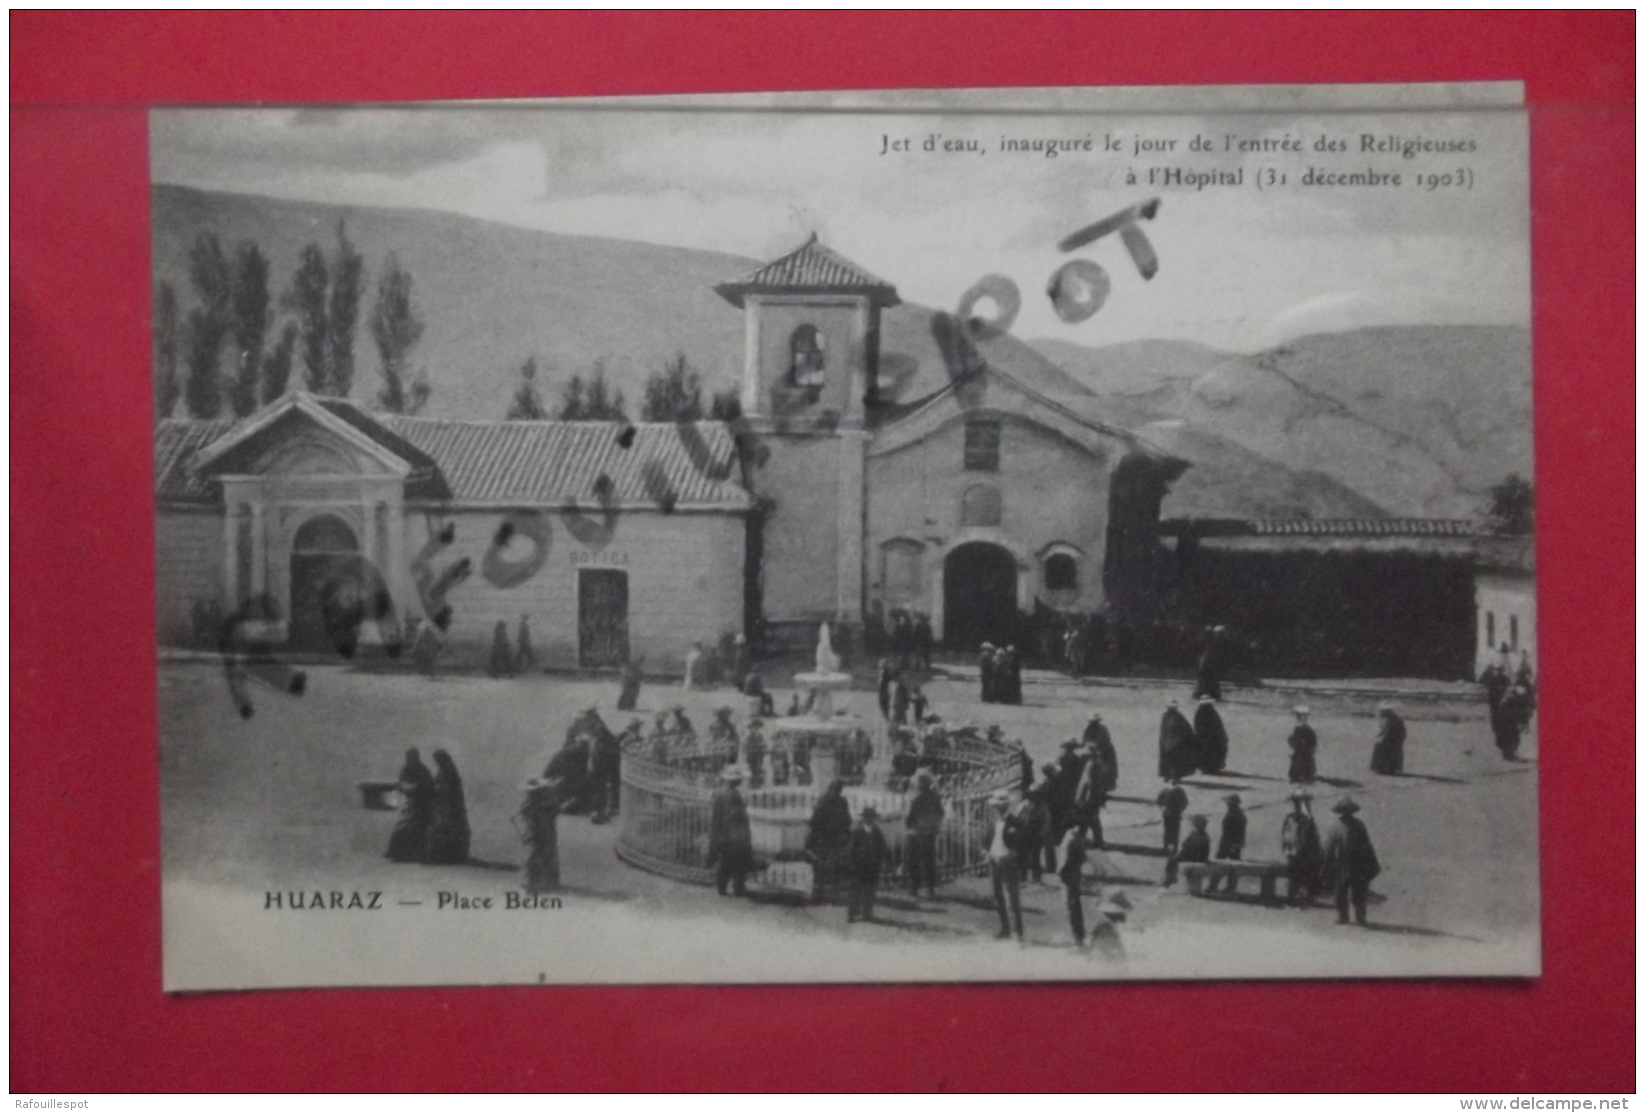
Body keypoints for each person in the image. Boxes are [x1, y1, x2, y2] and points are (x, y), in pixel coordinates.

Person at [1321, 796, 1381, 925]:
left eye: (1349, 811)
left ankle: (1360, 917)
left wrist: (1369, 861)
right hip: (1342, 863)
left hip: (1358, 862)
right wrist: (1327, 861)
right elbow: (1329, 845)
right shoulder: (1336, 826)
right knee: (1340, 890)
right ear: (1341, 812)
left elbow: (1366, 843)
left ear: (1352, 812)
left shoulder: (1359, 824)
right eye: (1345, 811)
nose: (1347, 813)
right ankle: (1343, 916)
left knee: (1359, 891)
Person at [984, 789, 1026, 940]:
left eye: (1000, 806)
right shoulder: (993, 822)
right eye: (996, 806)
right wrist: (986, 852)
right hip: (994, 859)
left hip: (1008, 861)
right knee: (997, 895)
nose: (997, 809)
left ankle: (1017, 933)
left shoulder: (1016, 822)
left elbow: (1023, 844)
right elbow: (986, 838)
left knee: (1012, 897)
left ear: (1006, 806)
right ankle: (1005, 929)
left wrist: (1014, 854)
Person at [707, 766, 754, 897]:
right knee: (737, 862)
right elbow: (737, 815)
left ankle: (722, 887)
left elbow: (716, 816)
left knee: (726, 861)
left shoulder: (722, 793)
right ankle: (737, 887)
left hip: (726, 832)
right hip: (734, 832)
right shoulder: (732, 794)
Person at [805, 779, 853, 902]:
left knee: (820, 865)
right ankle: (833, 894)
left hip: (823, 838)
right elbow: (847, 820)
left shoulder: (823, 800)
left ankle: (818, 894)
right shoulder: (841, 802)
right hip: (834, 837)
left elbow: (814, 820)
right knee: (835, 865)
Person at [385, 748, 435, 863]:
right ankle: (398, 854)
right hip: (409, 802)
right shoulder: (405, 769)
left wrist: (415, 788)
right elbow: (401, 782)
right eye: (408, 757)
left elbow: (428, 785)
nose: (409, 759)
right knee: (402, 827)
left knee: (418, 829)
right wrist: (405, 787)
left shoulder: (423, 770)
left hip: (421, 804)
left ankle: (416, 855)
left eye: (412, 757)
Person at [846, 805, 891, 923]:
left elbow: (882, 846)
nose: (870, 819)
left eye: (872, 817)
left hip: (873, 865)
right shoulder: (857, 830)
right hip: (859, 864)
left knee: (870, 889)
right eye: (867, 817)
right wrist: (852, 862)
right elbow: (851, 848)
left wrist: (884, 859)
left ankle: (867, 912)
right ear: (864, 818)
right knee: (856, 889)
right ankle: (852, 913)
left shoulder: (876, 830)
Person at [425, 749, 470, 865]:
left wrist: (434, 788)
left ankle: (446, 856)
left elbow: (446, 789)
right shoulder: (445, 769)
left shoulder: (448, 771)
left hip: (449, 806)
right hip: (445, 805)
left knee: (445, 828)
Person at [517, 776, 561, 893]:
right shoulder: (530, 804)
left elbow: (554, 811)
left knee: (543, 854)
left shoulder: (544, 802)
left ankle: (545, 881)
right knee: (534, 855)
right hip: (536, 833)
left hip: (543, 833)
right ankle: (531, 882)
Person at [905, 771, 945, 899]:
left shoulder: (914, 798)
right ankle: (930, 888)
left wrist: (910, 826)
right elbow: (941, 813)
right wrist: (933, 822)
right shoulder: (935, 797)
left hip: (915, 832)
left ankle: (914, 887)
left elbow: (908, 816)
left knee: (914, 861)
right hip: (929, 831)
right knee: (929, 861)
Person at [1280, 791, 1323, 906]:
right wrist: (1287, 849)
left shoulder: (1305, 820)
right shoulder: (1291, 818)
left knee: (1303, 873)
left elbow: (1313, 838)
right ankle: (1294, 896)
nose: (1299, 805)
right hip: (1295, 852)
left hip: (1302, 853)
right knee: (1295, 874)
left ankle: (1302, 895)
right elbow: (1285, 835)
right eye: (1297, 803)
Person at [590, 717, 631, 824]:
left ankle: (598, 813)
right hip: (602, 770)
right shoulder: (611, 743)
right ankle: (601, 813)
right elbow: (613, 760)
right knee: (602, 792)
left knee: (599, 791)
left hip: (597, 769)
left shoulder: (600, 741)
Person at [1057, 822, 1089, 948]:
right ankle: (1079, 937)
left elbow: (1064, 861)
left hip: (1068, 876)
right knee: (1075, 906)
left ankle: (1077, 939)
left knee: (1071, 908)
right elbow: (1083, 858)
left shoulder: (1070, 839)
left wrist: (1059, 871)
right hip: (1075, 875)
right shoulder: (1077, 839)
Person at [1205, 793, 1246, 895]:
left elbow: (1236, 831)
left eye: (1229, 803)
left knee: (1220, 864)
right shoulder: (1238, 813)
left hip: (1229, 843)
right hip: (1233, 843)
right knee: (1233, 865)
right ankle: (1229, 887)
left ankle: (1213, 886)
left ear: (1232, 804)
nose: (1227, 804)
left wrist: (1234, 844)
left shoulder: (1235, 814)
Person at [1157, 777, 1189, 885]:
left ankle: (1166, 847)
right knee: (1174, 834)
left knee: (1167, 832)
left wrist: (1163, 808)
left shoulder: (1165, 790)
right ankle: (1173, 849)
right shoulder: (1180, 791)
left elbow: (1158, 800)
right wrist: (1180, 809)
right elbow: (1185, 803)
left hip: (1167, 814)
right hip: (1175, 815)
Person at [1158, 699, 1196, 782]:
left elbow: (1163, 730)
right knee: (1176, 762)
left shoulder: (1165, 716)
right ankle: (1175, 777)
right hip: (1176, 743)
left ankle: (1167, 776)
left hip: (1166, 743)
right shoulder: (1179, 717)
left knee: (1167, 760)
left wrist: (1162, 741)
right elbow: (1187, 729)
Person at [1170, 814, 1212, 886]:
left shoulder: (1197, 835)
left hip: (1194, 857)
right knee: (1174, 858)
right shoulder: (1203, 835)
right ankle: (1172, 877)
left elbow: (1186, 846)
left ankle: (1171, 877)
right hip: (1196, 856)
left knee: (1172, 859)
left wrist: (1182, 853)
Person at [1193, 695, 1229, 775]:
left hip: (1209, 737)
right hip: (1209, 737)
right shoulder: (1209, 712)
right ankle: (1210, 768)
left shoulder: (1201, 712)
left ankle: (1208, 768)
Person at [1193, 625, 1231, 701]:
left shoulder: (1218, 642)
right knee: (1206, 681)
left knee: (1210, 681)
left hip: (1210, 664)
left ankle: (1209, 694)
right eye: (1218, 633)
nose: (1219, 635)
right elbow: (1207, 654)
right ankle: (1203, 694)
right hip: (1208, 664)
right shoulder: (1213, 642)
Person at [1370, 702, 1407, 775]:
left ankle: (1383, 767)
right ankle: (1386, 768)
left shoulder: (1392, 719)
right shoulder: (1390, 718)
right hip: (1392, 739)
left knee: (1381, 747)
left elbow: (1387, 731)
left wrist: (1380, 738)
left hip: (1393, 739)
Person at [1492, 684, 1527, 760]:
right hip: (1506, 723)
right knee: (1510, 738)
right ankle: (1508, 755)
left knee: (1509, 739)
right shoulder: (1508, 700)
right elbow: (1511, 712)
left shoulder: (1505, 700)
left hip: (1506, 722)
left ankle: (1508, 754)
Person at [1287, 705, 1318, 785]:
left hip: (1300, 759)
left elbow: (1295, 743)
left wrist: (1290, 740)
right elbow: (1313, 745)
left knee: (1297, 779)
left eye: (1297, 715)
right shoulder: (1309, 730)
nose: (1296, 717)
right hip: (1307, 758)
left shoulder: (1299, 729)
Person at [744, 719, 767, 787]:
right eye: (755, 727)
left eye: (758, 727)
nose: (757, 729)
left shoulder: (760, 736)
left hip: (759, 756)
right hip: (752, 756)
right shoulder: (749, 736)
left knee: (758, 768)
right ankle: (753, 784)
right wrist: (756, 746)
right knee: (753, 769)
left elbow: (763, 745)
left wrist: (763, 747)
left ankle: (758, 783)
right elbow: (747, 746)